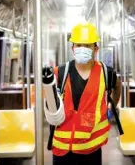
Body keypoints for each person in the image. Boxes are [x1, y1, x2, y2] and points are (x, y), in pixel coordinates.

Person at [51, 22, 121, 165]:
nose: (82, 49)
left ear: (96, 49)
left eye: (87, 45)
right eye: (78, 45)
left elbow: (117, 87)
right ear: (73, 48)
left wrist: (110, 107)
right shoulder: (60, 73)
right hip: (63, 149)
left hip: (92, 148)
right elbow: (50, 104)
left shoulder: (106, 73)